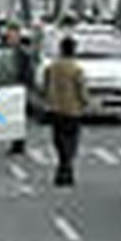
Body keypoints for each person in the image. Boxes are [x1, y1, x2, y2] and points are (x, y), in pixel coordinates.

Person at [42, 36, 90, 187]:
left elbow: (45, 85)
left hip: (56, 109)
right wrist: (85, 102)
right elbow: (82, 90)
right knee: (71, 140)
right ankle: (66, 168)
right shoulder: (77, 69)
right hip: (73, 110)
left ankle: (63, 168)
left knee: (59, 139)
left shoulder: (52, 67)